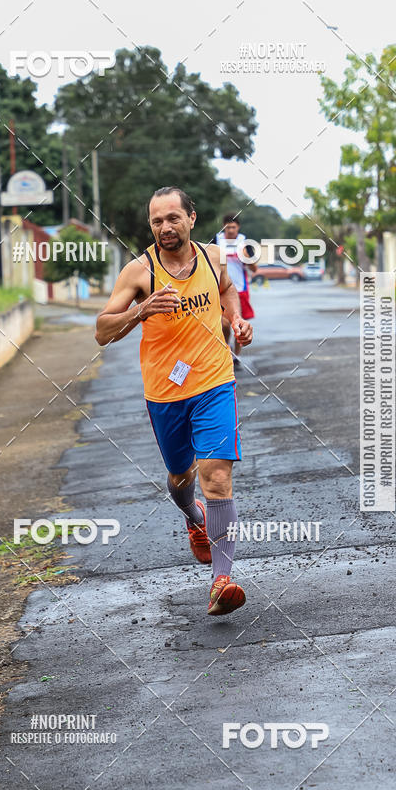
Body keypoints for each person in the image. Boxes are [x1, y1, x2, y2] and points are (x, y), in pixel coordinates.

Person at [95, 187, 253, 616]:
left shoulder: (213, 258)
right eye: (157, 221)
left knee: (216, 475)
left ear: (191, 219)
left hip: (214, 380)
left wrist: (236, 320)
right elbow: (102, 331)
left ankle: (222, 580)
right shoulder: (138, 271)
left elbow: (226, 292)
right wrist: (139, 312)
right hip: (165, 393)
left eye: (173, 218)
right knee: (180, 477)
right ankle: (193, 518)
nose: (165, 227)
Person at [214, 215, 256, 369]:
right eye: (228, 227)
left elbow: (254, 269)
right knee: (224, 324)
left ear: (238, 227)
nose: (231, 230)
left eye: (233, 227)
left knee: (240, 325)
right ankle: (226, 349)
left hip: (240, 289)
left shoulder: (244, 242)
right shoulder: (216, 241)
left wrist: (246, 257)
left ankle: (236, 356)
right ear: (224, 227)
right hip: (220, 289)